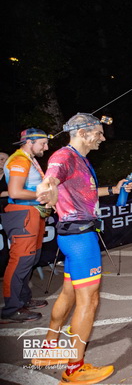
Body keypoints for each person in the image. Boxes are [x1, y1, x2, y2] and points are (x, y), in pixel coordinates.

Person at [35, 113, 132, 384]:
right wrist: (46, 190)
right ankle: (74, 369)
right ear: (82, 133)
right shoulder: (64, 157)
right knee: (89, 301)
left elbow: (84, 192)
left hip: (73, 236)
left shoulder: (80, 159)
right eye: (98, 133)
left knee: (68, 293)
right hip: (80, 239)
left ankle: (48, 349)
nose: (102, 138)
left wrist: (113, 190)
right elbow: (51, 179)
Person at [1, 129, 50, 324]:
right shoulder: (20, 160)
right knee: (20, 261)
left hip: (33, 213)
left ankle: (23, 299)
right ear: (30, 142)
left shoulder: (29, 159)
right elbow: (15, 192)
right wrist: (45, 195)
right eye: (43, 143)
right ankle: (12, 309)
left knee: (31, 259)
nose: (46, 147)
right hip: (22, 214)